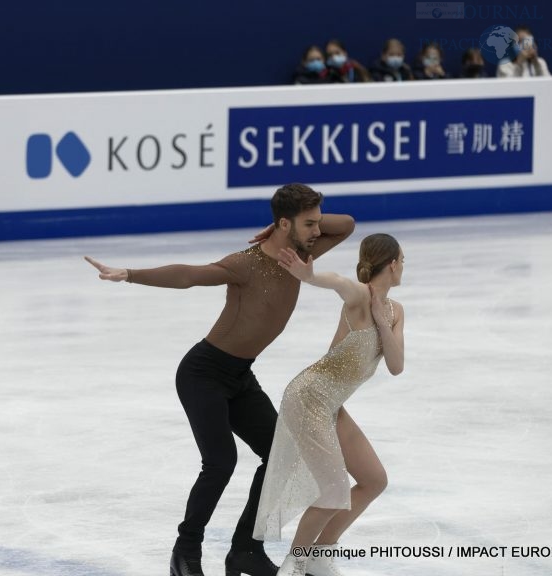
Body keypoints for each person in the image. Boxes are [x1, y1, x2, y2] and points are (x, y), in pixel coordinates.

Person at [86, 183, 356, 576]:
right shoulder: (244, 264)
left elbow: (346, 224)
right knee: (220, 462)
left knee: (280, 455)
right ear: (286, 223)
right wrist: (130, 273)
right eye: (309, 223)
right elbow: (191, 275)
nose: (317, 230)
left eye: (317, 223)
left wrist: (293, 224)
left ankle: (245, 549)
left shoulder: (301, 253)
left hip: (240, 376)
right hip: (203, 373)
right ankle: (186, 552)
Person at [253, 234, 405, 576]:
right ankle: (296, 561)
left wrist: (382, 322)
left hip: (332, 404)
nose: (403, 268)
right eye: (403, 261)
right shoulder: (359, 296)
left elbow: (396, 366)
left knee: (373, 479)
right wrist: (308, 277)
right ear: (392, 264)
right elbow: (337, 282)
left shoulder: (395, 312)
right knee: (334, 490)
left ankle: (321, 553)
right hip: (308, 395)